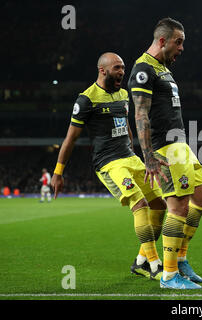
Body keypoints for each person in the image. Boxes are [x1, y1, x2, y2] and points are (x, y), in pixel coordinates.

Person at [51, 52, 167, 282]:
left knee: (160, 205)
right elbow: (70, 139)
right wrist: (57, 173)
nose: (122, 72)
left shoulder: (123, 94)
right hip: (109, 162)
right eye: (117, 68)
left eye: (123, 68)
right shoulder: (86, 99)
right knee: (140, 205)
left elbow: (127, 127)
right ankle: (155, 264)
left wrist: (137, 154)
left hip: (129, 158)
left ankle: (141, 261)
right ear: (102, 70)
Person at [128, 17, 202, 290]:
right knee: (177, 208)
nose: (182, 48)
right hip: (166, 147)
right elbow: (140, 114)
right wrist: (148, 155)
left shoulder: (164, 69)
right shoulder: (143, 69)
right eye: (179, 42)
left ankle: (181, 257)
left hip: (180, 145)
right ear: (162, 41)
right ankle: (169, 274)